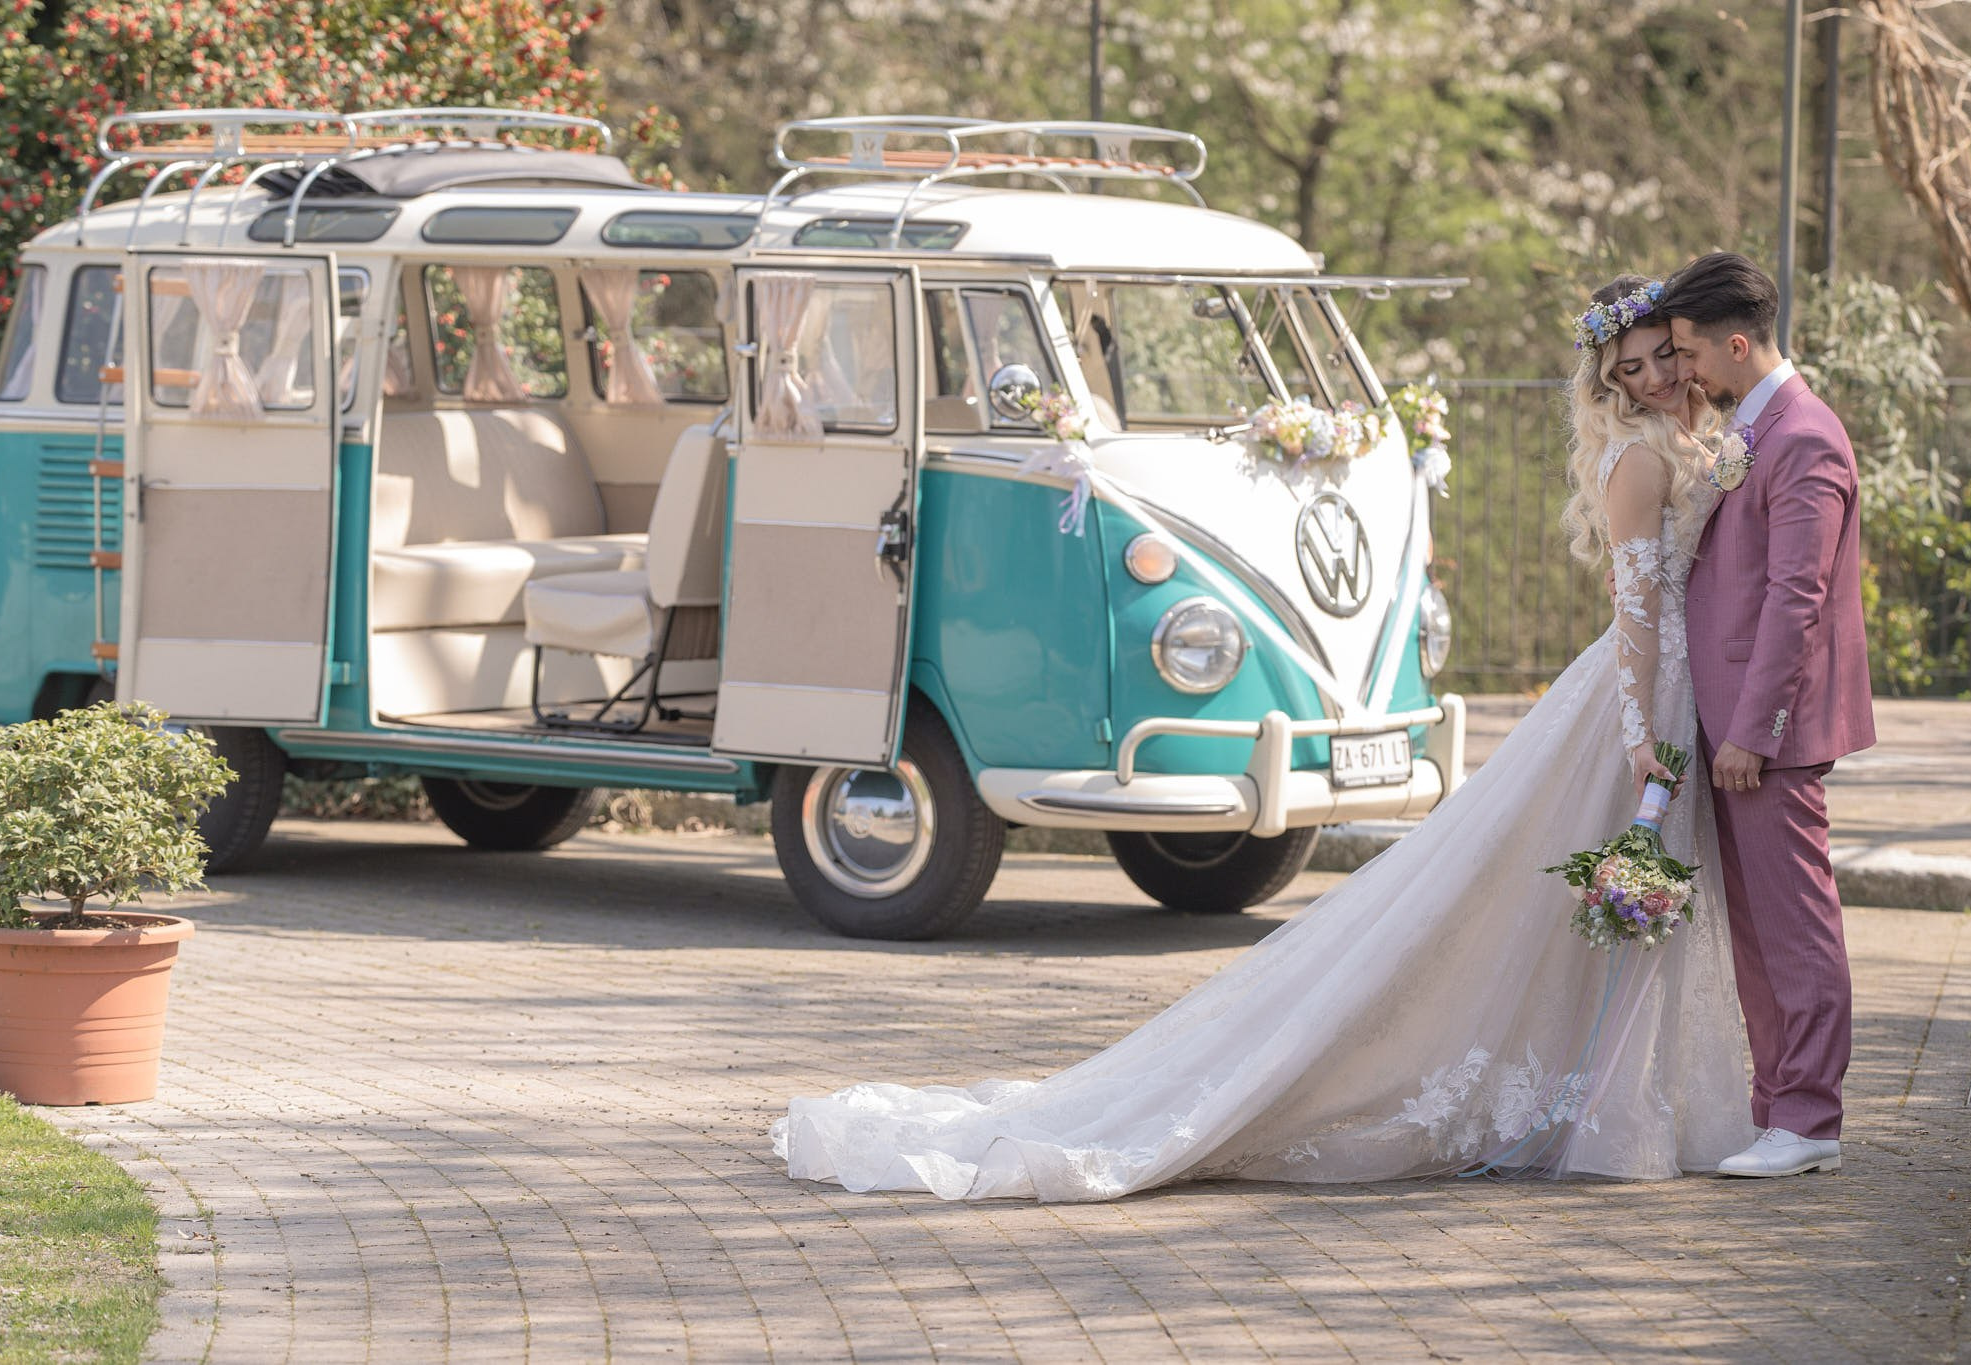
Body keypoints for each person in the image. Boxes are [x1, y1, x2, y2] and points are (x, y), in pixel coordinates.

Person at [770, 276, 1754, 1202]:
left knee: (1610, 901)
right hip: (1637, 702)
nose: (1652, 379)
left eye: (1659, 358)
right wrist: (1637, 734)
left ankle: (1619, 1094)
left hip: (1680, 690)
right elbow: (1632, 611)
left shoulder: (1696, 437)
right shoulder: (1635, 460)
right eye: (1626, 369)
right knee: (1579, 892)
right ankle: (1594, 1103)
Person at [1659, 251, 1875, 1179]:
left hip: (1766, 735)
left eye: (1688, 353)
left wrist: (1752, 729)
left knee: (1796, 924)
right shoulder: (1752, 425)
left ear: (1737, 344)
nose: (1681, 372)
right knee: (1755, 930)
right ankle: (1777, 1109)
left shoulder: (1805, 437)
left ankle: (1810, 1115)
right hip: (1729, 724)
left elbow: (1798, 597)